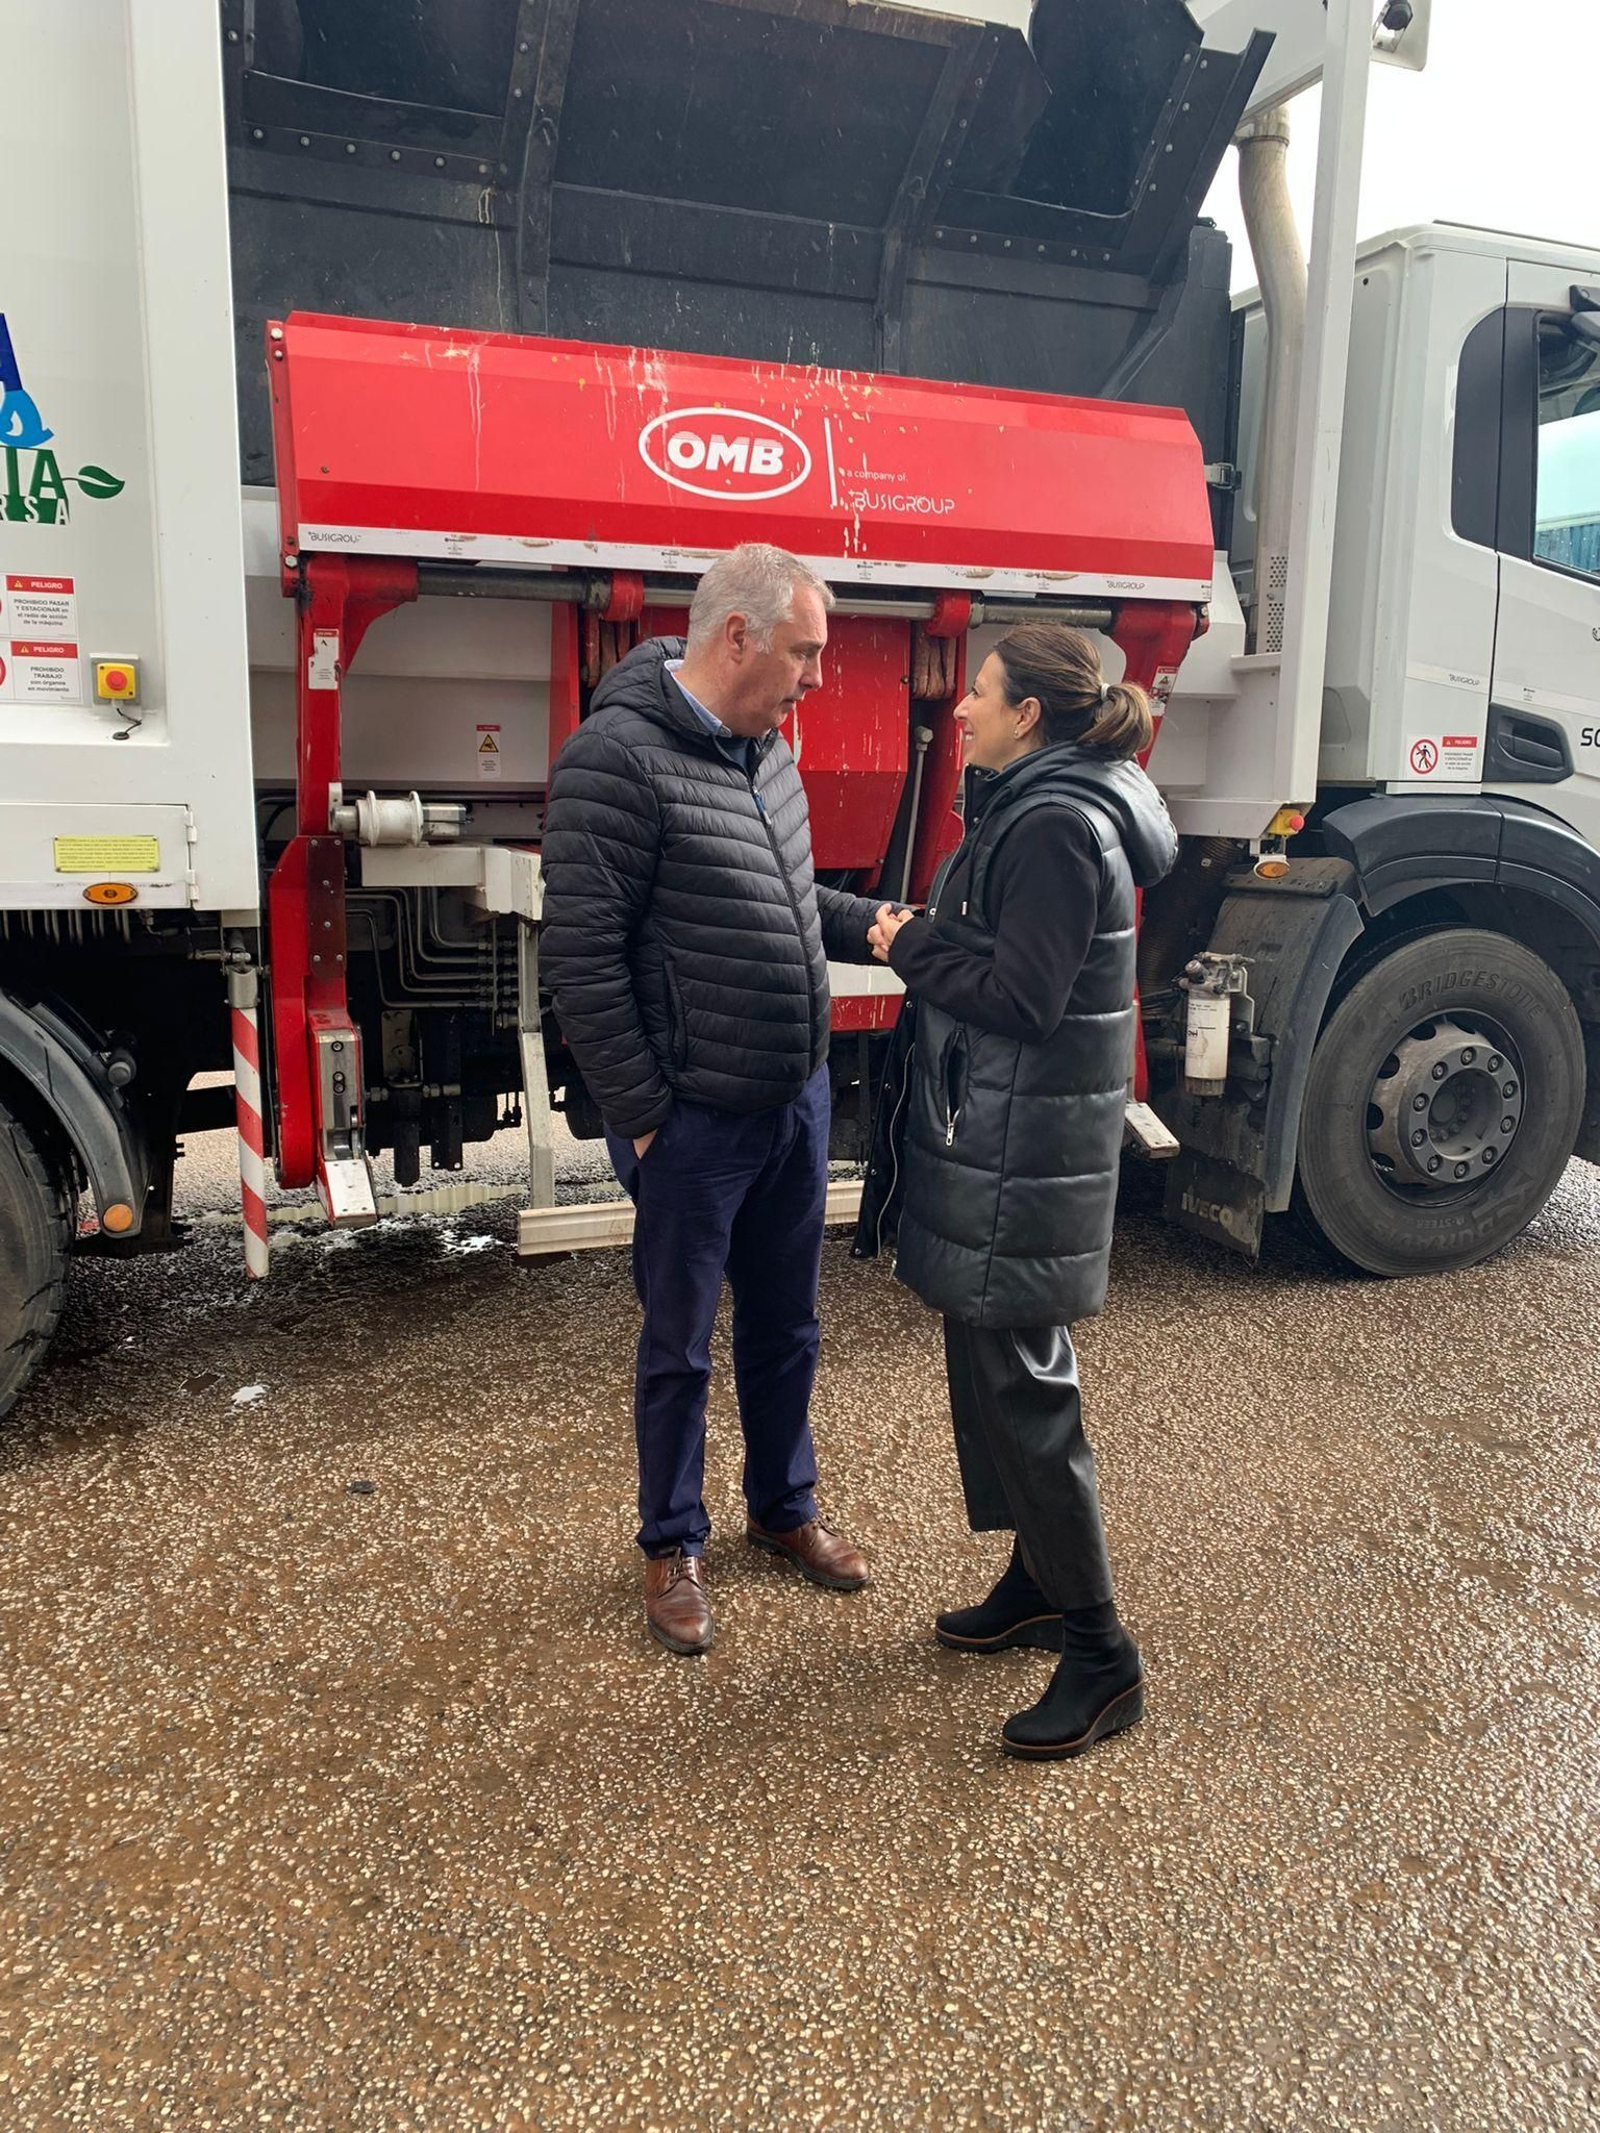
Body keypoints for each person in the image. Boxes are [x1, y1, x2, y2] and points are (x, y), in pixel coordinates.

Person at [540, 544, 895, 1656]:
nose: (815, 678)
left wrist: (878, 925)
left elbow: (792, 902)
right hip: (695, 1123)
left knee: (788, 1326)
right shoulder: (616, 759)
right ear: (735, 636)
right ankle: (670, 1542)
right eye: (804, 652)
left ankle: (784, 1510)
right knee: (680, 1346)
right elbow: (583, 962)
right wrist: (646, 1116)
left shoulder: (765, 754)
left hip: (793, 1102)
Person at [856, 623, 1177, 1759]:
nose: (962, 711)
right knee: (989, 1369)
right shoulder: (1044, 804)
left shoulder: (1051, 822)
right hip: (999, 1137)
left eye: (979, 695)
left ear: (1028, 714)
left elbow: (1025, 996)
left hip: (1020, 1152)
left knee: (1025, 1391)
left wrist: (910, 951)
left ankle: (1101, 1654)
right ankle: (1037, 1580)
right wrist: (915, 932)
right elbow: (999, 956)